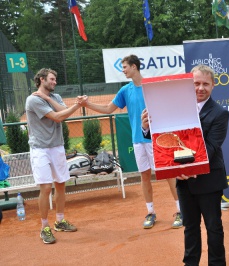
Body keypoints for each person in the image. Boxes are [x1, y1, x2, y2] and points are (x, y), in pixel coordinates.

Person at [78, 54, 182, 229]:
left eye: (125, 67)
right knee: (145, 176)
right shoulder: (125, 90)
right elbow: (108, 109)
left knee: (168, 174)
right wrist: (87, 105)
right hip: (137, 139)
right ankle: (150, 212)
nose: (123, 70)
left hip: (155, 139)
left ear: (134, 67)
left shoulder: (152, 87)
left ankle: (180, 211)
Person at [142, 64, 229, 266]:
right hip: (184, 182)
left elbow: (211, 147)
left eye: (205, 84)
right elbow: (165, 135)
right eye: (196, 83)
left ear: (213, 86)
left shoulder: (220, 113)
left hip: (209, 180)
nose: (200, 88)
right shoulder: (176, 108)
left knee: (213, 226)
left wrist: (188, 169)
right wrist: (146, 127)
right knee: (190, 226)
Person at [25, 68, 81, 244]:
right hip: (40, 149)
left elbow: (63, 111)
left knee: (61, 184)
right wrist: (76, 106)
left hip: (57, 146)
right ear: (42, 80)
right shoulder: (33, 99)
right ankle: (44, 227)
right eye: (52, 79)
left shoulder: (54, 97)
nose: (55, 82)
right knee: (46, 188)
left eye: (55, 79)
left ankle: (60, 221)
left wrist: (48, 98)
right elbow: (57, 117)